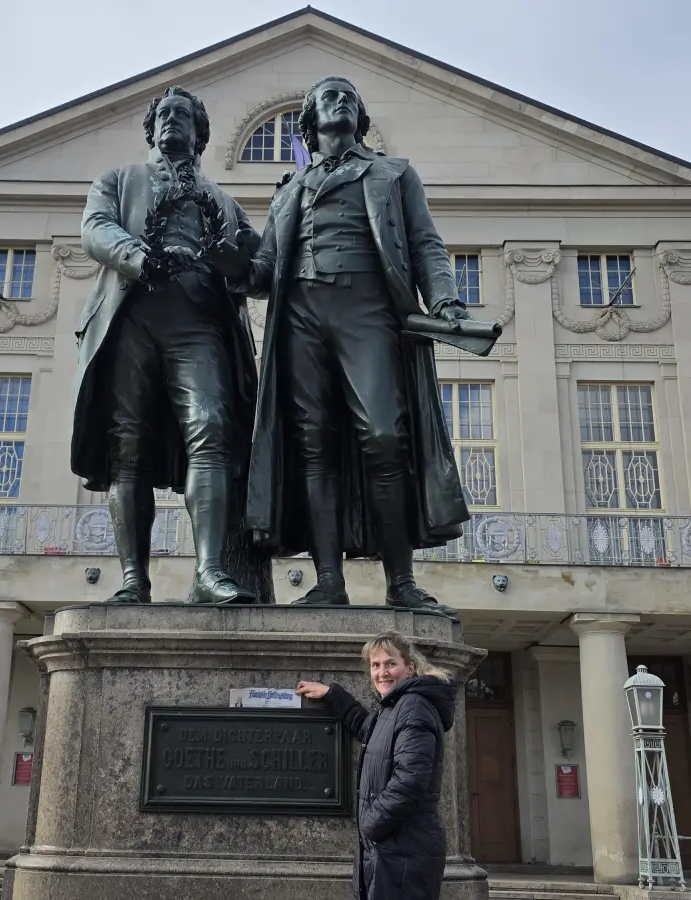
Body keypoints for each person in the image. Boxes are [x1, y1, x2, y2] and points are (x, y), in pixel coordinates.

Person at [242, 75, 469, 617]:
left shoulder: (393, 172)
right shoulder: (289, 190)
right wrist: (226, 262)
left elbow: (425, 244)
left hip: (368, 308)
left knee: (386, 436)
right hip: (300, 315)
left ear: (360, 117)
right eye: (327, 95)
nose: (340, 101)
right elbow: (264, 272)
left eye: (348, 96)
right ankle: (327, 580)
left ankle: (401, 581)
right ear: (310, 119)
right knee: (313, 444)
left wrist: (444, 301)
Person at [71, 85, 267, 605]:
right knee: (127, 445)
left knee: (210, 429)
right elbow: (94, 229)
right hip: (133, 316)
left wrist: (239, 262)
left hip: (199, 322)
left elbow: (259, 267)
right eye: (164, 114)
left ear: (199, 135)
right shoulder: (118, 180)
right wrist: (137, 256)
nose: (172, 121)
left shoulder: (223, 201)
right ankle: (135, 578)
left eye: (183, 115)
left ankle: (209, 571)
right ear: (152, 126)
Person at [296, 631, 457, 900]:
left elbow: (411, 780)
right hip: (392, 851)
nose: (382, 672)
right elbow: (368, 728)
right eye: (375, 665)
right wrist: (332, 695)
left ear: (409, 668)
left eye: (390, 663)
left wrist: (370, 824)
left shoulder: (414, 707)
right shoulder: (394, 708)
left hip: (404, 852)